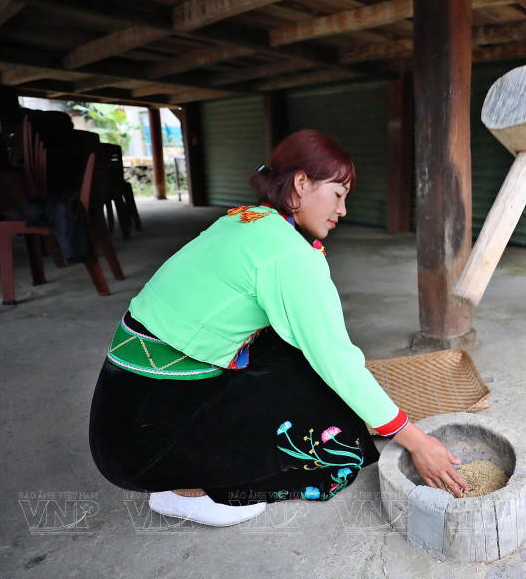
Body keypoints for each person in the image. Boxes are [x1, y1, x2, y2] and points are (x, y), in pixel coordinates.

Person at [88, 130, 469, 527]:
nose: (342, 209)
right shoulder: (291, 255)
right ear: (301, 183)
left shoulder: (243, 220)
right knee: (323, 424)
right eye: (338, 194)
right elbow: (337, 360)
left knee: (297, 357)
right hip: (146, 448)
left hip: (120, 420)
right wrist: (416, 441)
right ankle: (186, 487)